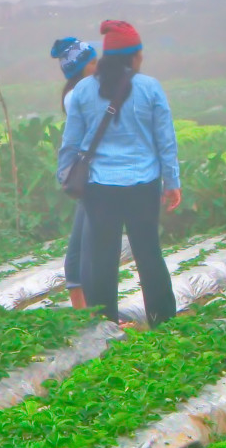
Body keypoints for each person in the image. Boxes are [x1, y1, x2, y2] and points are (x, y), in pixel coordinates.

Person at [59, 20, 181, 325]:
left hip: (100, 187)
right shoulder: (150, 87)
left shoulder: (84, 91)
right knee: (148, 253)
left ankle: (105, 328)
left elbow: (70, 142)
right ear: (133, 56)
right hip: (144, 184)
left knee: (102, 259)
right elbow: (165, 141)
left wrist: (66, 177)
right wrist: (172, 182)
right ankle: (162, 322)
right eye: (140, 52)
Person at [50, 37, 98, 310]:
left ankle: (86, 310)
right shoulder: (77, 96)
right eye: (92, 62)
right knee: (83, 245)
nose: (97, 66)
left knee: (85, 242)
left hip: (94, 177)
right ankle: (84, 311)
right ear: (78, 68)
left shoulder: (85, 92)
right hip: (91, 178)